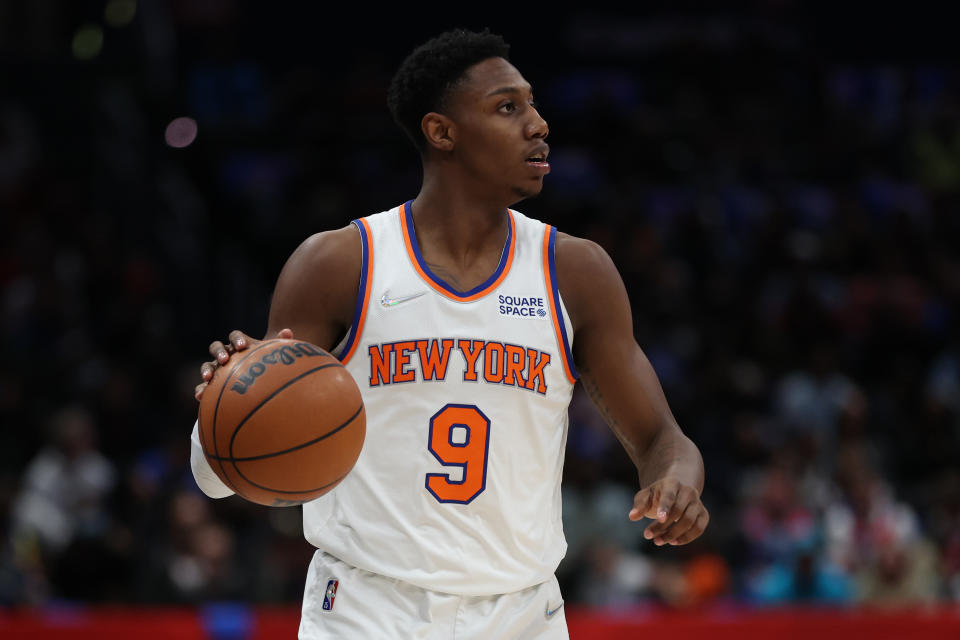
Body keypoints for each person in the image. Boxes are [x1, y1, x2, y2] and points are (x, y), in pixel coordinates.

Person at [190, 28, 708, 639]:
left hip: (521, 614)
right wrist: (224, 404)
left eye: (534, 104)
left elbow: (662, 438)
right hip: (364, 609)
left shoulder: (575, 272)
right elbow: (216, 476)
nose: (539, 124)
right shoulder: (339, 264)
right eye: (508, 107)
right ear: (442, 132)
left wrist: (678, 483)